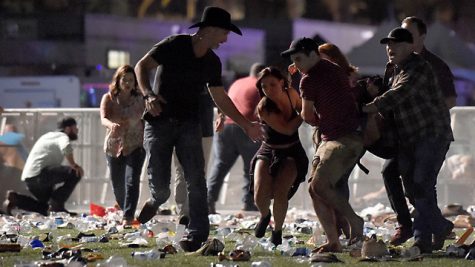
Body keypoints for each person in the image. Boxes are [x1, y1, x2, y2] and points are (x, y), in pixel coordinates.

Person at [134, 6, 264, 252]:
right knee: (162, 188)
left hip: (189, 124)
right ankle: (155, 200)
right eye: (224, 34)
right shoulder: (173, 45)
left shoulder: (212, 62)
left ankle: (197, 234)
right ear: (210, 30)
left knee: (196, 179)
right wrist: (148, 94)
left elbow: (220, 97)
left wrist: (246, 124)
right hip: (159, 122)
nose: (225, 40)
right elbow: (142, 66)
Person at [363, 27, 453, 254]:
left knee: (421, 184)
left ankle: (429, 235)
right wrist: (375, 93)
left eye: (396, 44)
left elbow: (398, 94)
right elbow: (390, 97)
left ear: (410, 46)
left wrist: (367, 107)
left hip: (431, 134)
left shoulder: (420, 67)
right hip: (408, 138)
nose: (390, 49)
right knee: (414, 190)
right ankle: (433, 232)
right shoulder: (393, 69)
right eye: (388, 45)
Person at [282, 37, 364, 253]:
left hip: (338, 138)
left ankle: (354, 221)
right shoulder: (334, 68)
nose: (296, 65)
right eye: (293, 60)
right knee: (316, 188)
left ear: (313, 54)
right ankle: (334, 241)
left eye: (299, 59)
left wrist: (320, 121)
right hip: (352, 137)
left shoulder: (308, 80)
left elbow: (307, 115)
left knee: (318, 186)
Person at [251, 66, 308, 246]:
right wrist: (305, 113)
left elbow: (301, 107)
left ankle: (277, 231)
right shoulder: (264, 107)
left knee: (280, 191)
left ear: (282, 83)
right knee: (260, 193)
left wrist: (306, 109)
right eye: (264, 86)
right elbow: (287, 128)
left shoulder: (291, 94)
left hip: (291, 149)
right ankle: (265, 215)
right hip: (269, 148)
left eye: (272, 84)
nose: (268, 90)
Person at [207, 63, 265, 214]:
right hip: (247, 126)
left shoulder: (237, 83)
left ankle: (208, 201)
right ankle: (249, 203)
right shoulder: (261, 85)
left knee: (220, 165)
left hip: (226, 126)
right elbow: (262, 110)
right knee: (251, 168)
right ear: (262, 73)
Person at [2, 117, 83, 216]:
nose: (77, 130)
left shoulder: (48, 136)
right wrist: (74, 165)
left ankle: (16, 199)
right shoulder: (61, 136)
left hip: (30, 179)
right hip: (40, 175)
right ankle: (57, 205)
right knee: (75, 172)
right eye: (75, 128)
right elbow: (66, 147)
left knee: (46, 208)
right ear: (68, 129)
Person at [100, 65, 145, 225]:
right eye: (124, 79)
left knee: (132, 180)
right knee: (118, 184)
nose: (127, 83)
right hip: (114, 146)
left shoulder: (141, 100)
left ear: (135, 82)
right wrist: (111, 125)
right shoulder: (109, 98)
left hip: (135, 144)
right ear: (118, 81)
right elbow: (103, 118)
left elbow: (147, 119)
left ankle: (128, 217)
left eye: (131, 80)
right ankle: (124, 207)